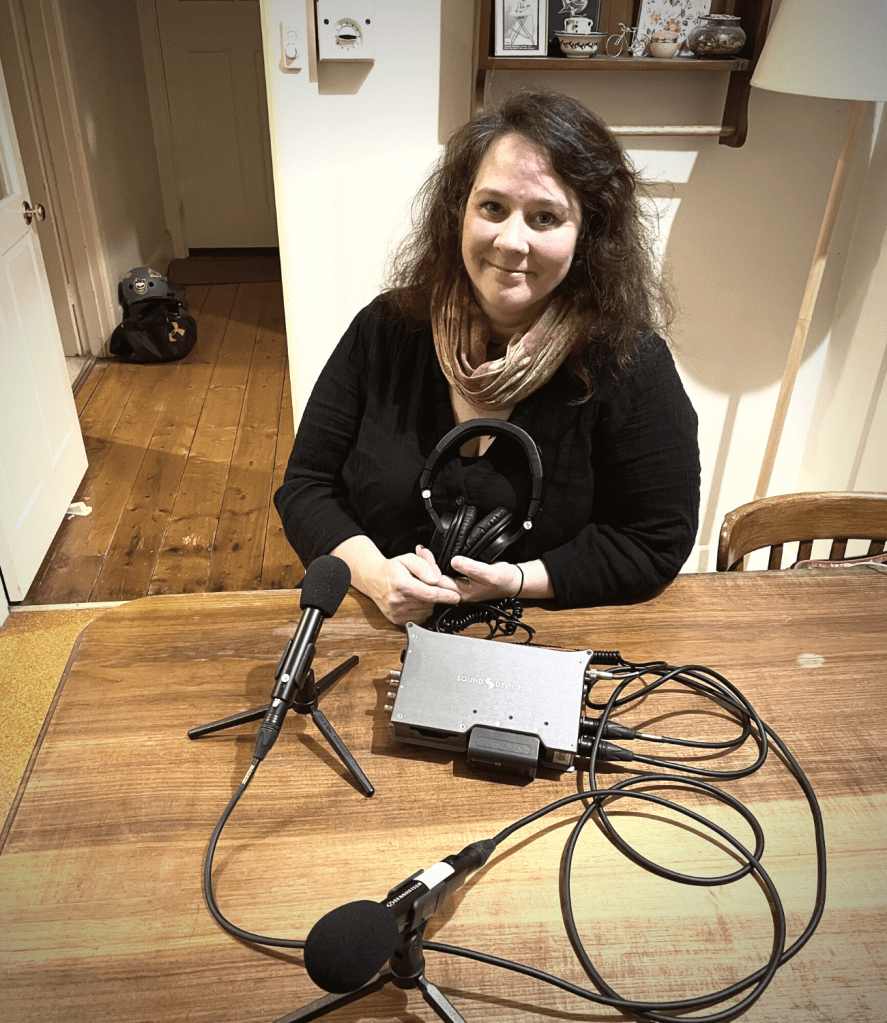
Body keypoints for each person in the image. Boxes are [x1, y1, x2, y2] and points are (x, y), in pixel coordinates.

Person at [274, 89, 700, 626]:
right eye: (492, 207)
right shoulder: (384, 329)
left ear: (587, 234)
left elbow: (655, 540)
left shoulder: (632, 362)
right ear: (460, 211)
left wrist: (519, 580)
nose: (510, 240)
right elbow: (306, 486)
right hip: (371, 617)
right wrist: (377, 576)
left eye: (545, 217)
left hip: (536, 631)